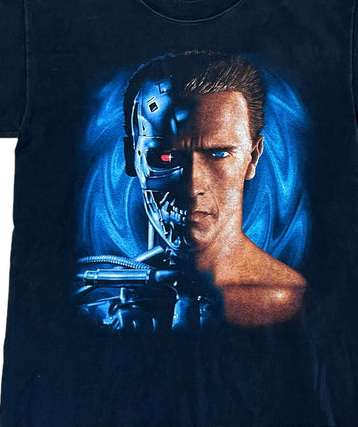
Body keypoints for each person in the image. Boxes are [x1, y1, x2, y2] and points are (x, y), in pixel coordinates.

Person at [77, 50, 307, 329]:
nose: (192, 187)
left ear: (253, 157)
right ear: (131, 157)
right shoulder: (101, 304)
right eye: (165, 157)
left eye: (218, 154)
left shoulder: (296, 304)